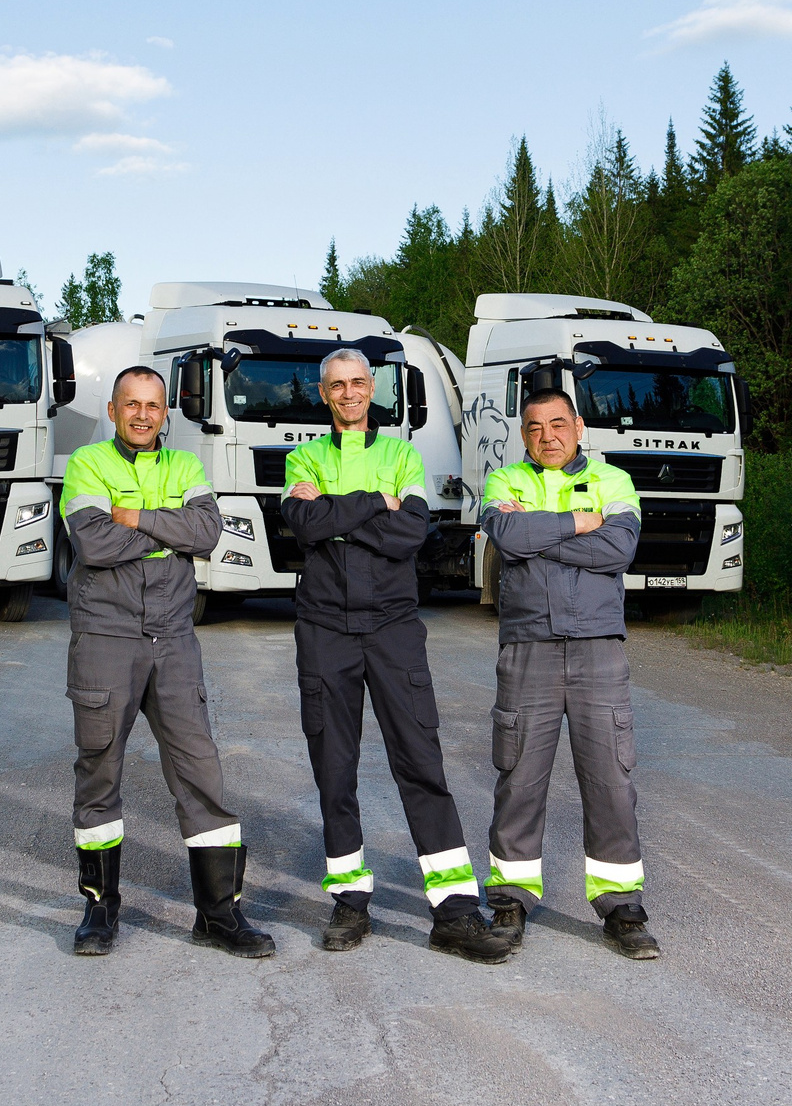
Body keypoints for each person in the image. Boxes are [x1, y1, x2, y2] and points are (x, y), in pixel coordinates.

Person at [282, 347, 513, 963]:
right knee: (335, 766)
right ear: (324, 393)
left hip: (392, 627)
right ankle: (350, 902)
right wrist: (371, 505)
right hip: (325, 627)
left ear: (372, 387)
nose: (350, 393)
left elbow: (411, 532)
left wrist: (334, 512)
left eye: (359, 382)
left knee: (420, 760)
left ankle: (455, 912)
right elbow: (300, 526)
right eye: (338, 385)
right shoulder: (303, 455)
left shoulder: (402, 454)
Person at [58, 365, 274, 959]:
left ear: (165, 413)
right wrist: (168, 530)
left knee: (201, 770)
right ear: (113, 409)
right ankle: (99, 909)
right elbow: (93, 544)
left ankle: (219, 913)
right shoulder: (87, 463)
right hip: (107, 637)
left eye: (153, 405)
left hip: (175, 639)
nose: (143, 415)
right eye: (132, 404)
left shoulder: (186, 466)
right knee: (100, 767)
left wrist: (134, 517)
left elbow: (208, 533)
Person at [478, 387, 660, 959]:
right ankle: (509, 899)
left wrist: (542, 534)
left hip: (597, 649)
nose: (547, 437)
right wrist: (580, 523)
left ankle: (621, 906)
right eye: (534, 428)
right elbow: (506, 538)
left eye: (558, 424)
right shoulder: (505, 481)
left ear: (578, 427)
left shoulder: (614, 480)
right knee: (519, 777)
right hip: (527, 648)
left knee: (610, 778)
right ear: (523, 434)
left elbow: (619, 551)